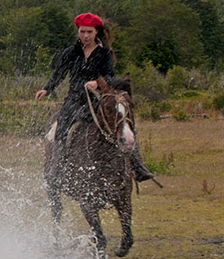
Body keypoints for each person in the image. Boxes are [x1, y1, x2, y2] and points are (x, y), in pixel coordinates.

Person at [35, 12, 154, 182]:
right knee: (62, 126)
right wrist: (47, 89)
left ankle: (138, 166)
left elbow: (111, 76)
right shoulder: (71, 52)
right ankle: (57, 168)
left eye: (89, 32)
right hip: (75, 100)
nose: (85, 35)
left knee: (123, 121)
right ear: (78, 31)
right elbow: (59, 73)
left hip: (98, 100)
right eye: (82, 31)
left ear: (96, 32)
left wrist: (97, 84)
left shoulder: (104, 53)